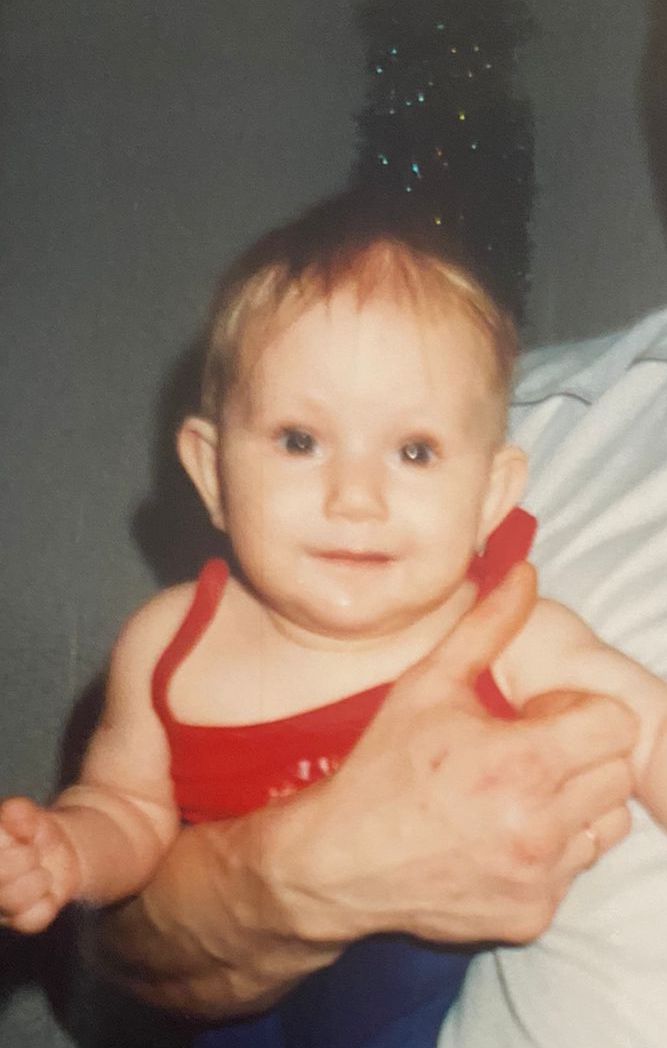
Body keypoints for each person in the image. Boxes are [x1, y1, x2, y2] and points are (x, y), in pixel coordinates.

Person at [0, 198, 649, 1036]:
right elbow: (127, 809)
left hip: (417, 998)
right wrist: (67, 853)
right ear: (211, 472)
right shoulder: (169, 647)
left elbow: (646, 723)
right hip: (229, 1008)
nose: (354, 497)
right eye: (299, 440)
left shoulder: (509, 631)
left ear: (490, 495)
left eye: (413, 451)